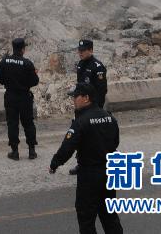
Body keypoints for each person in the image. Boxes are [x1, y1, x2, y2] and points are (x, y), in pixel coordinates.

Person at [49, 82, 123, 234]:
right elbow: (115, 142)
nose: (73, 100)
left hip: (89, 174)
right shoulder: (109, 117)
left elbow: (68, 147)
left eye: (76, 96)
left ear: (86, 98)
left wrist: (55, 163)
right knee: (109, 216)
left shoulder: (81, 121)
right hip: (109, 171)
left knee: (86, 218)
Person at [0, 36, 39, 160]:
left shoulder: (5, 61)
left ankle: (15, 152)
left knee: (12, 124)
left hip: (10, 96)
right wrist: (25, 84)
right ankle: (32, 151)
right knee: (28, 123)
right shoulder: (28, 63)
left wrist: (8, 83)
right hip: (25, 97)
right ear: (23, 49)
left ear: (13, 48)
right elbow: (35, 81)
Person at [70, 38, 108, 175]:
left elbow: (102, 90)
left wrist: (96, 108)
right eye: (79, 51)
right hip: (81, 108)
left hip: (93, 108)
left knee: (95, 137)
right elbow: (80, 86)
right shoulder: (80, 65)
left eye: (83, 51)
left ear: (91, 50)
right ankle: (81, 163)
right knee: (81, 137)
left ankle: (101, 162)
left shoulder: (98, 67)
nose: (80, 53)